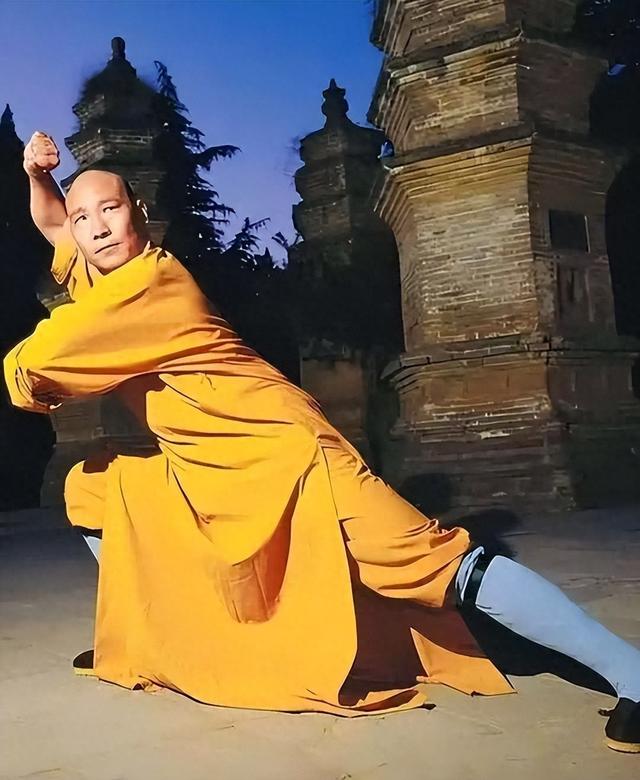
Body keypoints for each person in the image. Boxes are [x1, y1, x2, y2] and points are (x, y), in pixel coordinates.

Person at [4, 131, 639, 754]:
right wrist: (38, 178)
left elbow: (38, 360)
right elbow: (54, 225)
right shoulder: (101, 273)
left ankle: (631, 673)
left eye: (110, 209)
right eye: (85, 217)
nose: (95, 228)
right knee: (94, 488)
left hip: (290, 455)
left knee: (432, 562)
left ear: (139, 213)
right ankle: (144, 631)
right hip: (207, 471)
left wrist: (20, 373)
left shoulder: (150, 285)